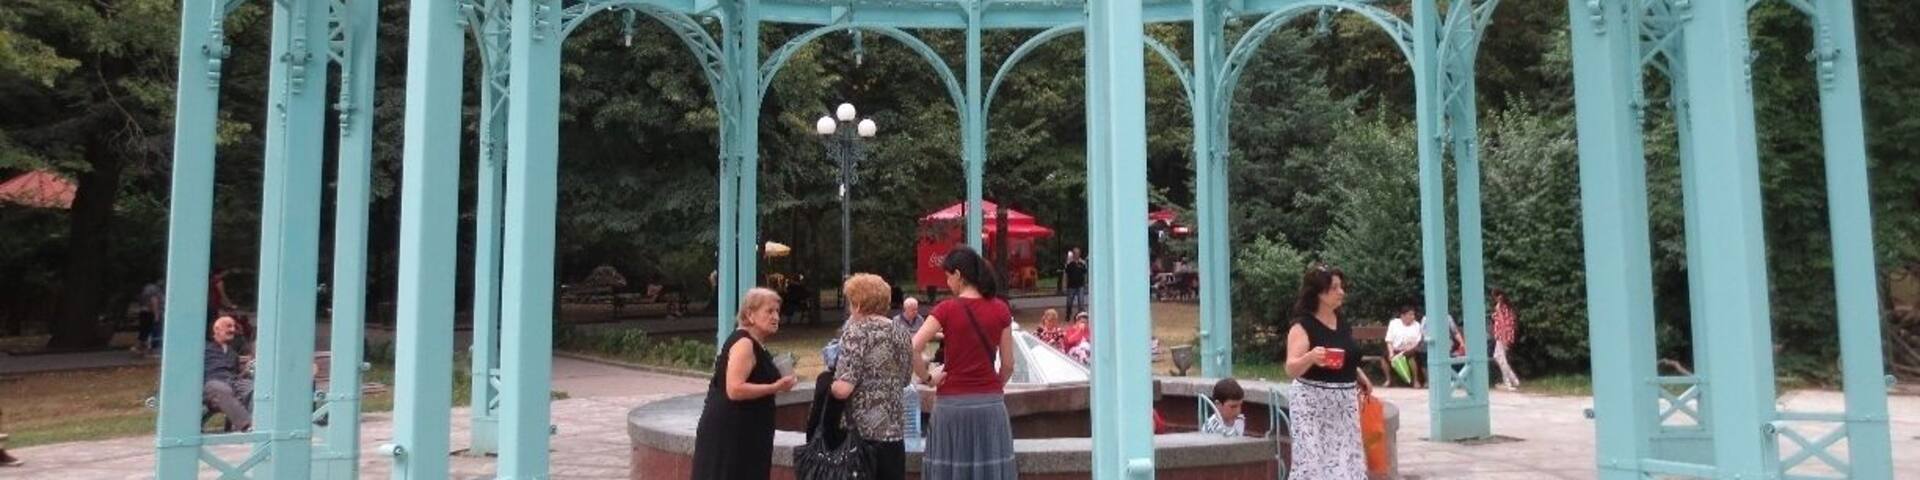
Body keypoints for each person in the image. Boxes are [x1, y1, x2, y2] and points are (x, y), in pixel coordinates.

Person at [911, 246, 1017, 479]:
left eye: (948, 276)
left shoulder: (946, 309)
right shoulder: (1000, 309)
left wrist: (929, 378)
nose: (947, 282)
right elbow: (1008, 364)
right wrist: (994, 385)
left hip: (951, 406)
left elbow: (912, 348)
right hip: (990, 406)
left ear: (958, 275)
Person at [690, 288, 798, 479]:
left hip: (745, 429)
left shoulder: (753, 342)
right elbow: (735, 389)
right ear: (750, 314)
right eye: (769, 311)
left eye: (777, 312)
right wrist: (776, 387)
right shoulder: (744, 344)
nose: (776, 317)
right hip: (732, 432)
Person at [1283, 262, 1370, 479]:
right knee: (1313, 462)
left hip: (1344, 402)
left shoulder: (1342, 321)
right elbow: (1291, 368)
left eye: (1342, 287)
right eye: (1336, 287)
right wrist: (1310, 357)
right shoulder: (1302, 326)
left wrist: (1359, 375)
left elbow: (1347, 354)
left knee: (1346, 458)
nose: (1342, 292)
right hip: (1311, 403)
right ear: (1321, 293)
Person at [830, 274, 914, 479]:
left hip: (862, 435)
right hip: (894, 433)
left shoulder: (856, 332)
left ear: (858, 304)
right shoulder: (901, 331)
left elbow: (843, 389)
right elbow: (905, 380)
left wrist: (830, 384)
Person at [204, 315, 253, 432]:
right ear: (217, 329)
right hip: (211, 384)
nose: (232, 330)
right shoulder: (204, 348)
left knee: (253, 387)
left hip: (232, 382)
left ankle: (261, 423)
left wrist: (245, 372)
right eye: (228, 326)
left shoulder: (232, 353)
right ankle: (248, 425)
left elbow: (236, 374)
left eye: (233, 327)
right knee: (222, 389)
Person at [1384, 306, 1424, 388]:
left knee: (1412, 357)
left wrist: (1409, 348)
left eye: (1413, 315)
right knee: (1383, 356)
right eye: (1410, 315)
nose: (1413, 317)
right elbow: (1389, 340)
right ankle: (1388, 380)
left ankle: (1415, 381)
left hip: (1410, 350)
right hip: (1396, 349)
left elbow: (1418, 341)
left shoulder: (1417, 325)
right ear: (1402, 316)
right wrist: (1391, 353)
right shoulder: (1394, 323)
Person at [1491, 289, 1522, 391]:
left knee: (1501, 359)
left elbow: (1503, 323)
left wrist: (1504, 338)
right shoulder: (1508, 308)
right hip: (1506, 335)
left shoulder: (1500, 307)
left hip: (1502, 336)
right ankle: (1514, 379)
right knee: (1497, 357)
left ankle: (1508, 382)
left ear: (1499, 297)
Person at [135, 280, 165, 354]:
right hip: (150, 313)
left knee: (144, 332)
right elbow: (154, 301)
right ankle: (151, 350)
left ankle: (140, 349)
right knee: (153, 331)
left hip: (143, 312)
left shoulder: (146, 290)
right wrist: (156, 314)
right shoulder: (155, 291)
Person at [1062, 247, 1088, 319]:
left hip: (1080, 285)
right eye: (1075, 253)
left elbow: (1085, 274)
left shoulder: (1082, 263)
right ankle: (1068, 314)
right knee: (1069, 302)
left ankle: (1081, 316)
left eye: (1078, 253)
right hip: (1071, 285)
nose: (1077, 254)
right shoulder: (1069, 263)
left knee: (1081, 302)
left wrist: (1085, 283)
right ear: (1073, 254)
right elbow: (1066, 274)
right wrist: (1064, 284)